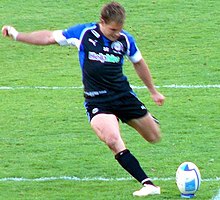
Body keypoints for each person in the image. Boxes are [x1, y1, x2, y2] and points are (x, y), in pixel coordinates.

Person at [2, 1, 165, 197]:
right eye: (113, 29)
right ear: (102, 22)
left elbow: (138, 62)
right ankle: (148, 184)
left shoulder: (125, 40)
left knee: (154, 137)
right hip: (97, 101)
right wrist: (18, 35)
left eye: (119, 30)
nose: (116, 34)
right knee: (112, 139)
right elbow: (48, 37)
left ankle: (145, 117)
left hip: (123, 96)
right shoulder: (84, 34)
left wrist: (153, 91)